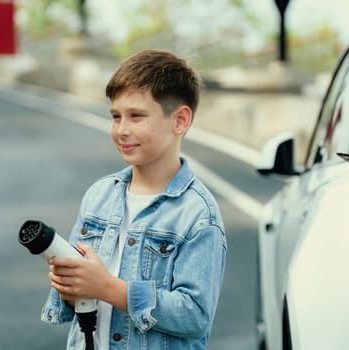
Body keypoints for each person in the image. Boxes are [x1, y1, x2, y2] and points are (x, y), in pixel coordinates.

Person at [41, 49, 227, 350]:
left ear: (180, 120)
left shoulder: (197, 214)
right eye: (116, 117)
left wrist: (108, 287)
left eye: (136, 116)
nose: (122, 130)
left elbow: (195, 314)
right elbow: (78, 300)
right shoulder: (99, 196)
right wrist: (70, 288)